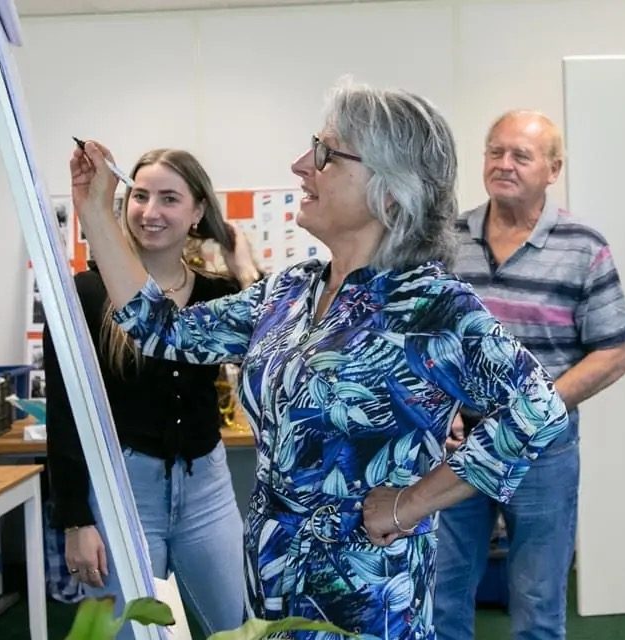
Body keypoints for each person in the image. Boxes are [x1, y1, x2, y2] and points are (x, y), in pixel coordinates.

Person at [68, 82, 569, 639]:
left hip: (368, 594)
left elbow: (537, 411)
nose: (303, 165)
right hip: (274, 581)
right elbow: (161, 328)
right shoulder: (292, 291)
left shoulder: (429, 303)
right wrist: (95, 211)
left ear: (390, 187)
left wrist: (412, 504)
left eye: (327, 153)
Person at [434, 111, 625, 640]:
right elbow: (425, 340)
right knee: (443, 592)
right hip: (457, 445)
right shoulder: (446, 240)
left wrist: (533, 408)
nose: (504, 164)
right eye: (495, 152)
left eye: (520, 155)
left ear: (553, 168)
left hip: (541, 447)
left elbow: (613, 354)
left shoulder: (583, 246)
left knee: (539, 599)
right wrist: (444, 404)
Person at [44, 148, 260, 637]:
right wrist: (76, 519)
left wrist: (243, 266)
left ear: (197, 212)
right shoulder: (86, 293)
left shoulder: (218, 293)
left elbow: (275, 349)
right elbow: (65, 411)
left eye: (169, 198)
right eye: (139, 195)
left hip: (207, 486)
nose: (150, 211)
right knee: (137, 633)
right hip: (126, 490)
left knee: (240, 626)